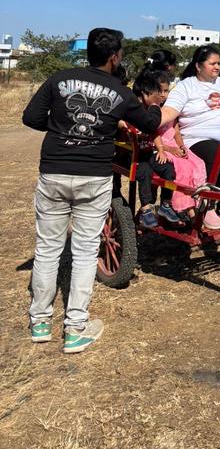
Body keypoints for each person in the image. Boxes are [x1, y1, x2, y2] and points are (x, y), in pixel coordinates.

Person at [22, 28, 164, 353]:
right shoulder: (121, 91)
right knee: (85, 252)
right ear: (115, 57)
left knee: (47, 250)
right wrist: (156, 108)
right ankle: (75, 329)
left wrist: (62, 128)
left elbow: (30, 117)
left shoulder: (60, 78)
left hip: (54, 172)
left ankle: (40, 322)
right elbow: (150, 124)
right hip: (93, 178)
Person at [160, 45, 220, 229]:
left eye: (219, 63)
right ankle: (208, 206)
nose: (217, 67)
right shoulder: (185, 86)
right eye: (212, 63)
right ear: (198, 66)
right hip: (198, 137)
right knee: (215, 157)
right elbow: (170, 111)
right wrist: (151, 120)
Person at [129, 69, 180, 229]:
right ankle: (145, 209)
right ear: (145, 94)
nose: (160, 97)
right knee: (145, 173)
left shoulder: (149, 113)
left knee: (169, 170)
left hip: (149, 152)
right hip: (136, 157)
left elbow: (154, 132)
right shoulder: (132, 112)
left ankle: (166, 204)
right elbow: (122, 125)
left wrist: (161, 150)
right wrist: (123, 125)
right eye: (156, 93)